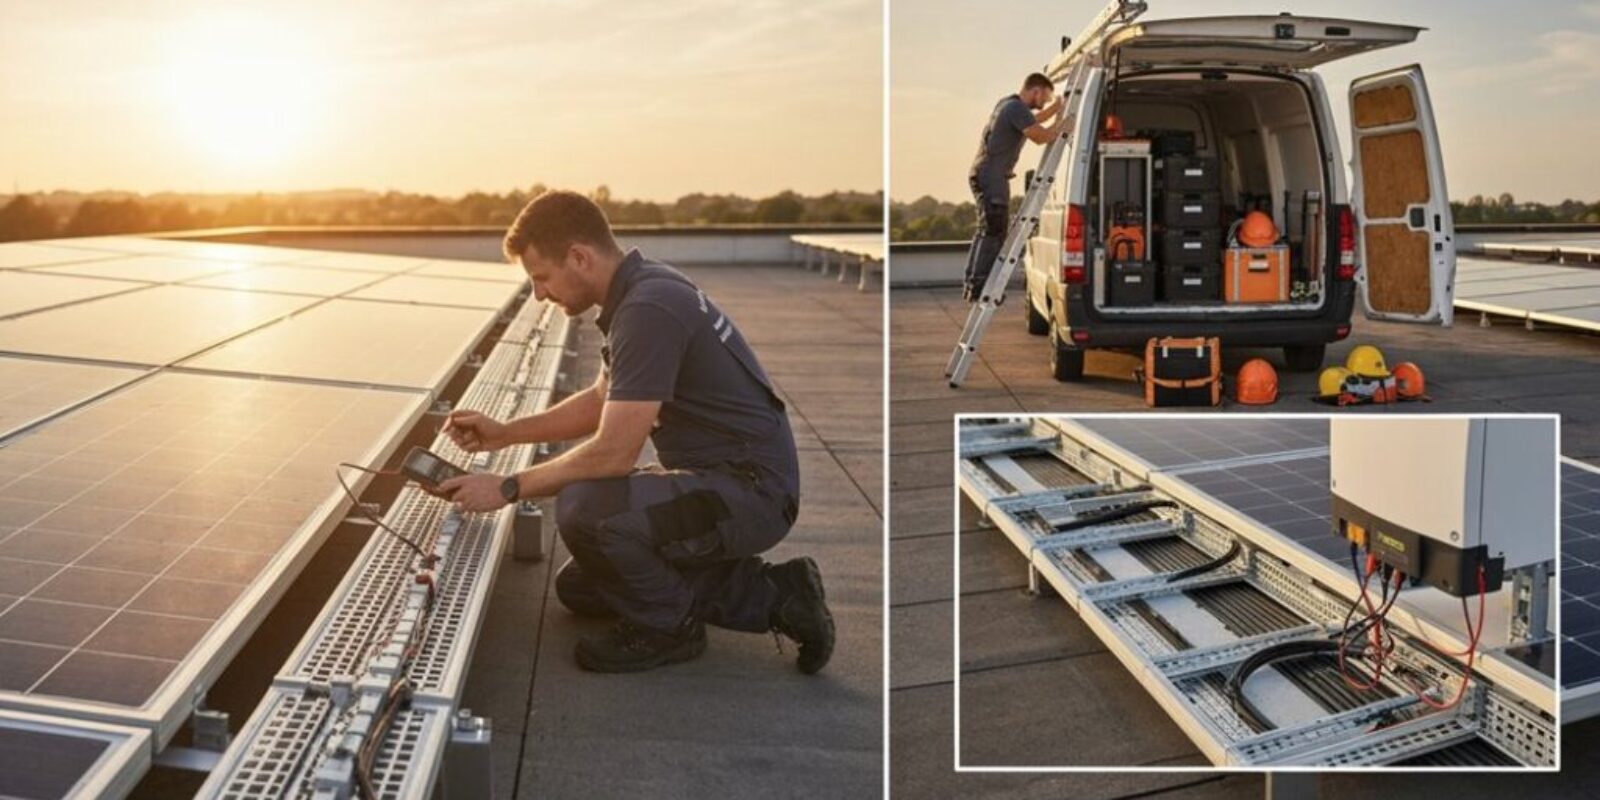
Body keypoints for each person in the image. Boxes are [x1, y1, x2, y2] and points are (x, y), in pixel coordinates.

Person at [434, 190, 835, 675]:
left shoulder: (649, 309)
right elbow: (603, 400)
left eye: (542, 277)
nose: (539, 293)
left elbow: (614, 454)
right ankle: (782, 594)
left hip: (750, 493)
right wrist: (504, 434)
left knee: (587, 511)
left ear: (579, 257)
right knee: (583, 586)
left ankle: (672, 628)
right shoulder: (642, 290)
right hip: (729, 481)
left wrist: (506, 487)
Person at [964, 72, 1070, 302]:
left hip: (984, 173)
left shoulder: (1008, 104)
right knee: (994, 231)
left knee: (985, 230)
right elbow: (1041, 137)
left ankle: (973, 282)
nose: (1044, 103)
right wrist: (1065, 125)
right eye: (1045, 98)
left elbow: (1037, 119)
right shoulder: (1016, 109)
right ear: (1036, 91)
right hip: (992, 176)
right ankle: (981, 286)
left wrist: (1058, 108)